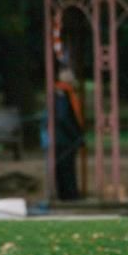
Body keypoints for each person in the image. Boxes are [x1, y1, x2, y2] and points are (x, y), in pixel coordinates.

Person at [54, 68, 85, 200]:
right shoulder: (62, 93)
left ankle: (69, 194)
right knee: (66, 167)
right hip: (64, 138)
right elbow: (63, 117)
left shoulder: (63, 92)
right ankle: (69, 195)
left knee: (66, 166)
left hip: (64, 136)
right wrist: (76, 135)